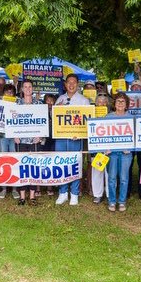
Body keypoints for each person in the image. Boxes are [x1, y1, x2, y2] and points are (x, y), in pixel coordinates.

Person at [54, 74, 91, 205]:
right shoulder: (60, 99)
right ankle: (62, 192)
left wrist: (80, 133)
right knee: (61, 164)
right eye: (68, 82)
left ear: (77, 84)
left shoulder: (84, 101)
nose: (71, 84)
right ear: (65, 84)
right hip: (61, 138)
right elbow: (55, 119)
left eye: (74, 82)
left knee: (75, 164)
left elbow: (87, 122)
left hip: (76, 138)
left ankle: (74, 193)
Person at [15, 80, 45, 206]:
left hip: (34, 141)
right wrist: (14, 135)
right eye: (25, 87)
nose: (27, 89)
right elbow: (11, 121)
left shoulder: (39, 104)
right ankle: (22, 196)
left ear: (33, 89)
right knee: (22, 167)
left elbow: (44, 122)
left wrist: (41, 135)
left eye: (30, 87)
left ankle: (32, 196)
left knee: (33, 167)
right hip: (20, 141)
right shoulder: (16, 104)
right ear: (22, 89)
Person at [105, 92, 133, 212]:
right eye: (118, 101)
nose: (120, 103)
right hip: (112, 152)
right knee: (111, 178)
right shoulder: (108, 117)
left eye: (123, 101)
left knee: (123, 178)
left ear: (126, 105)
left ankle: (121, 201)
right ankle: (112, 201)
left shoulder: (132, 118)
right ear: (114, 104)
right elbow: (103, 135)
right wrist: (105, 148)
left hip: (126, 152)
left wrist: (130, 148)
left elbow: (135, 136)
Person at [0, 84, 19, 200]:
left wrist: (17, 134)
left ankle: (15, 189)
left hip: (13, 137)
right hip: (3, 136)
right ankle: (4, 188)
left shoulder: (17, 104)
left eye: (11, 92)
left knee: (14, 162)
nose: (9, 94)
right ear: (3, 93)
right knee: (3, 161)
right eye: (7, 92)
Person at [91, 94, 111, 204]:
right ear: (95, 103)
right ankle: (97, 195)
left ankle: (109, 194)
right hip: (96, 148)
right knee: (97, 172)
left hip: (109, 148)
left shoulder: (112, 115)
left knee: (109, 173)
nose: (102, 103)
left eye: (104, 102)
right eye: (99, 102)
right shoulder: (91, 115)